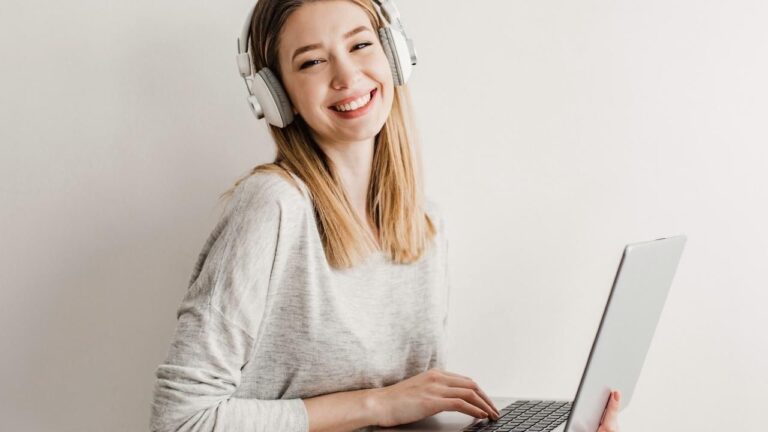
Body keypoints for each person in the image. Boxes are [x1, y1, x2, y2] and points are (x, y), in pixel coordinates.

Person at [149, 1, 622, 431]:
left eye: (360, 45)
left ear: (394, 54)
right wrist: (375, 404)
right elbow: (180, 420)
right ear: (277, 96)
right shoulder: (272, 206)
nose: (347, 75)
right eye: (312, 61)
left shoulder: (424, 225)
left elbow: (414, 417)